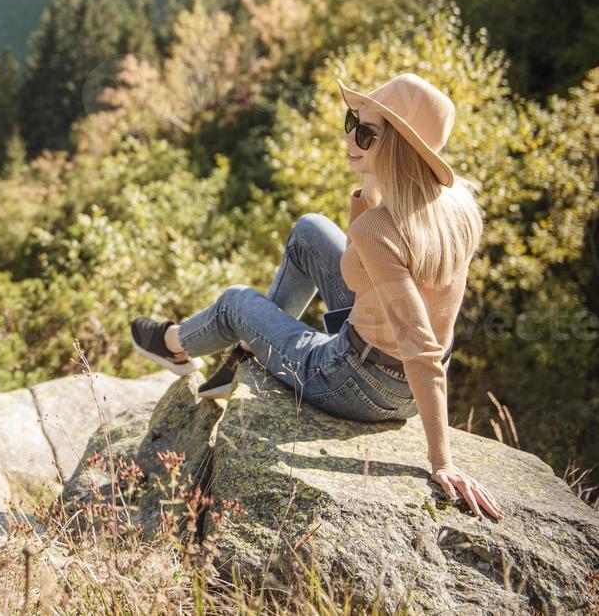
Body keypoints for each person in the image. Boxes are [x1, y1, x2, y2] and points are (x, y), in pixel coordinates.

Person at [130, 73, 503, 522]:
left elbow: (417, 343)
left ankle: (174, 344)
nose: (349, 135)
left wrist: (442, 461)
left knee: (234, 302)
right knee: (309, 229)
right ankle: (249, 353)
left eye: (366, 132)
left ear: (400, 148)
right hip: (396, 371)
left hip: (356, 379)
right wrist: (369, 186)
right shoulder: (456, 205)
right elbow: (357, 272)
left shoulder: (380, 229)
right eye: (352, 121)